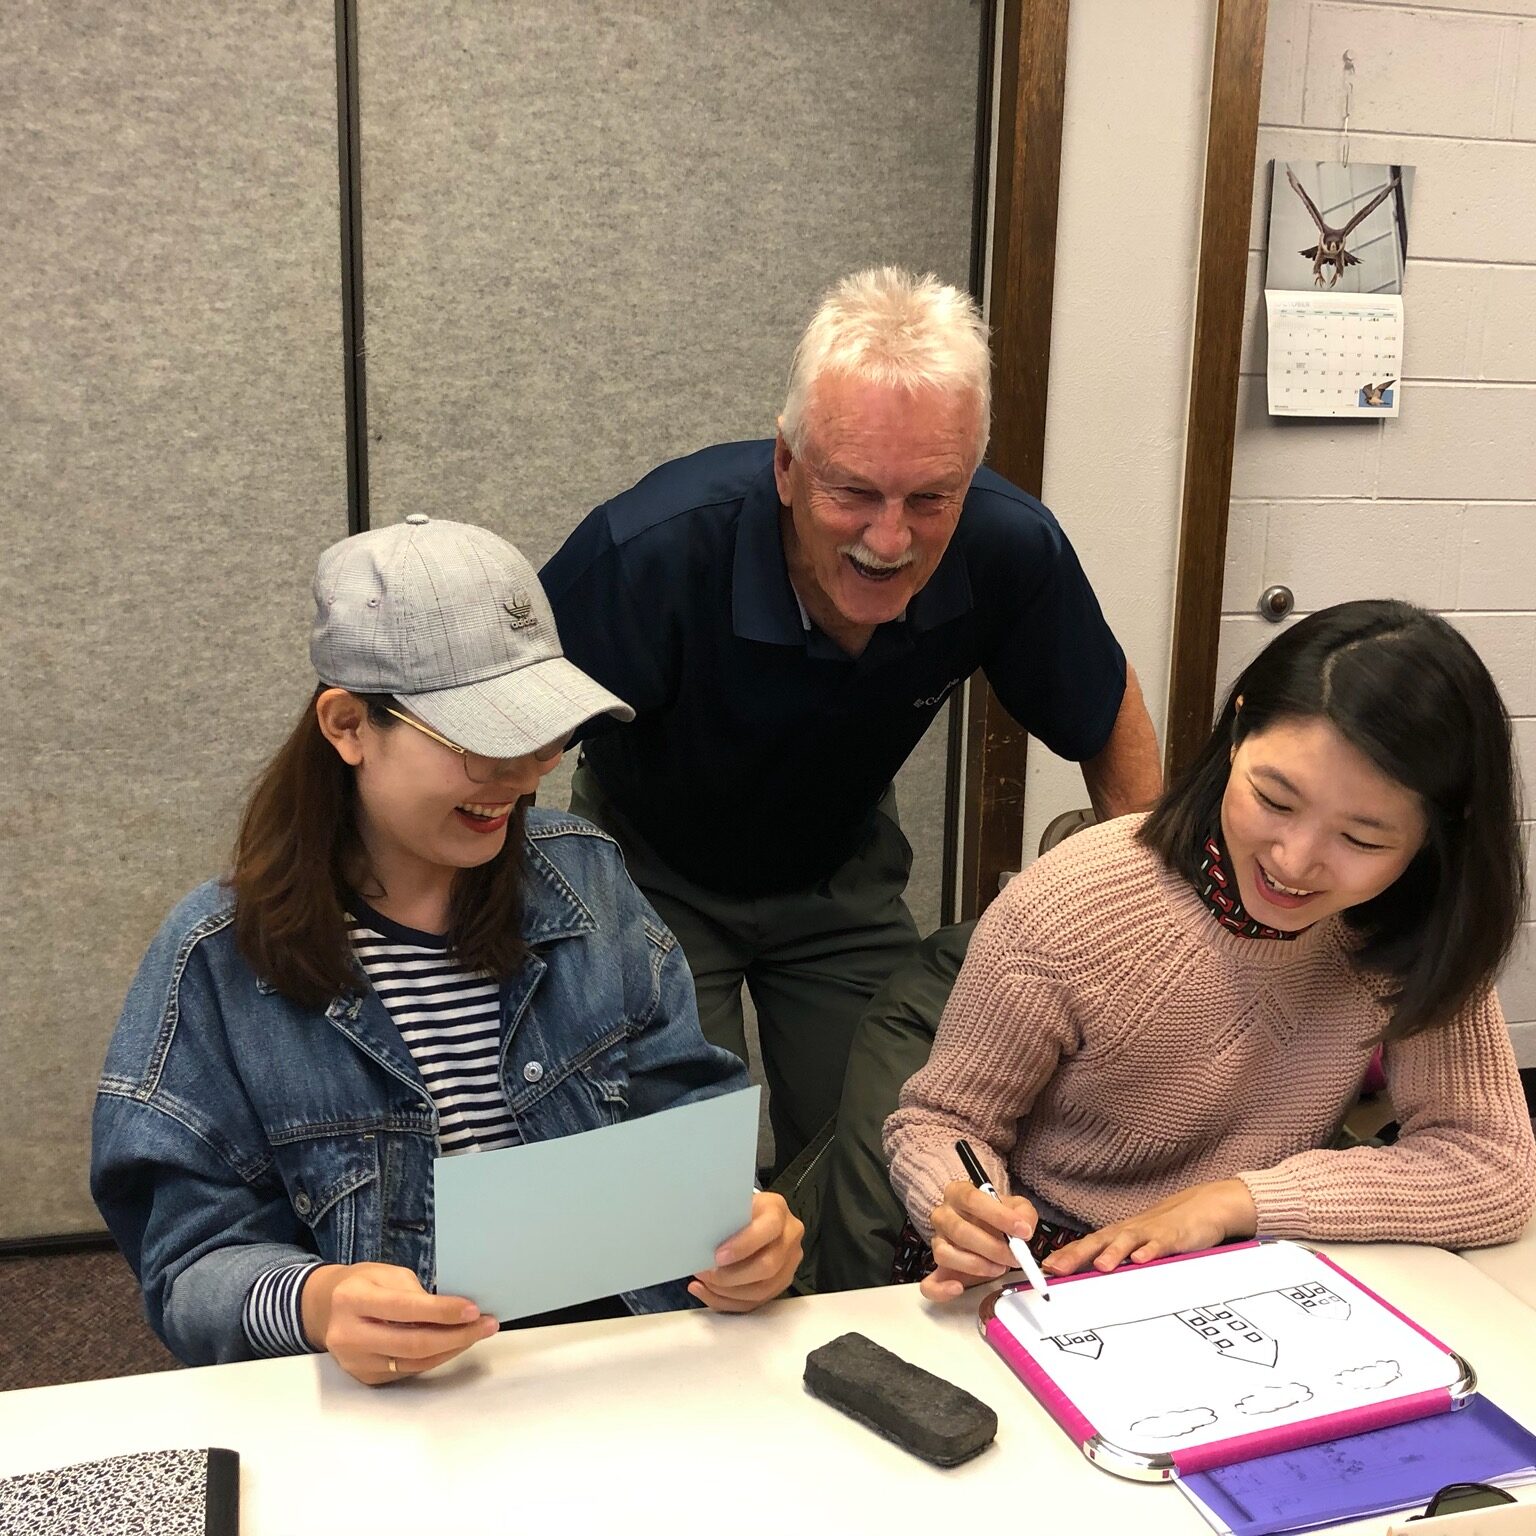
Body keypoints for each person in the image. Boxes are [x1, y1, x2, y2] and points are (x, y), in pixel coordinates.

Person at [91, 515, 802, 1379]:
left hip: (619, 1362)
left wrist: (749, 1226)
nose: (522, 775)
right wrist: (317, 1302)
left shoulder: (587, 880)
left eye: (543, 735)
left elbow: (684, 1110)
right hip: (394, 1402)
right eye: (480, 743)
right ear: (349, 725)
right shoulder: (216, 959)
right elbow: (185, 1267)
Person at [539, 267, 1162, 1190]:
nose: (889, 537)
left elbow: (1106, 718)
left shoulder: (1007, 545)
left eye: (929, 499)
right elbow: (499, 744)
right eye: (854, 492)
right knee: (676, 1181)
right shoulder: (653, 551)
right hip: (648, 869)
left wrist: (1149, 935)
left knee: (881, 1153)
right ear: (786, 465)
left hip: (838, 868)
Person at [885, 600, 1536, 1304]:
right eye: (1275, 800)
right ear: (1238, 731)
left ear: (1439, 834)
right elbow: (940, 1122)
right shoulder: (1077, 904)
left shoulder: (1411, 925)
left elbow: (1488, 1163)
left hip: (1252, 1270)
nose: (1295, 861)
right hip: (1047, 1267)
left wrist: (1234, 1202)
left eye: (1362, 839)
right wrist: (961, 1204)